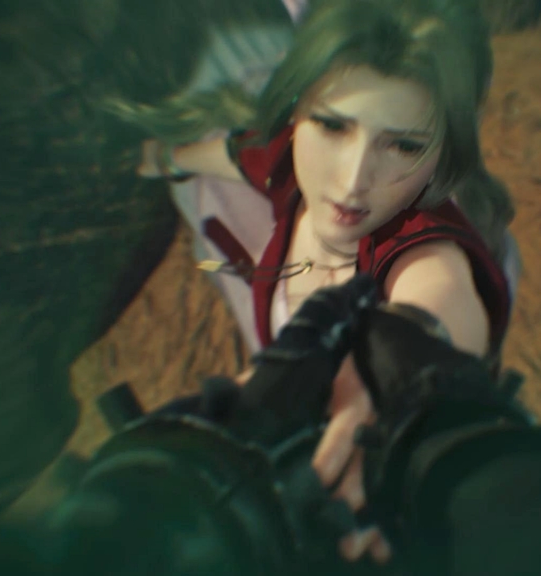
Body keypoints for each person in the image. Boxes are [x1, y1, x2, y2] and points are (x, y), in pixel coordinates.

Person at [132, 0, 518, 564]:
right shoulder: (285, 158)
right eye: (333, 125)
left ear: (444, 154)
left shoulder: (424, 244)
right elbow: (241, 156)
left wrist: (392, 376)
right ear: (295, 114)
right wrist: (167, 158)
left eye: (404, 145)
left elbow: (438, 294)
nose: (353, 181)